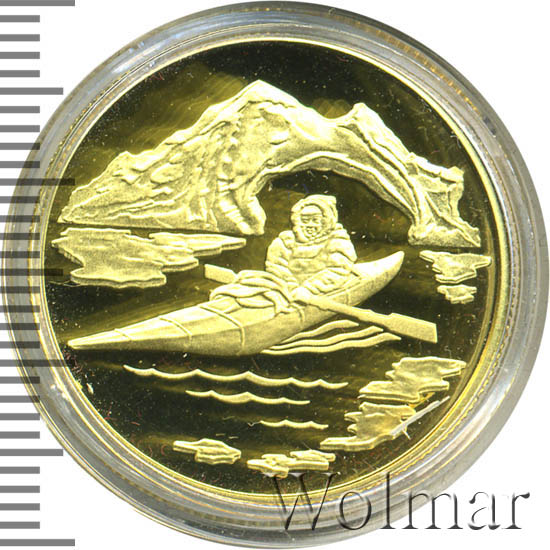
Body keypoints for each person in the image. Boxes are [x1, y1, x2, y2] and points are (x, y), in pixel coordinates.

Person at [211, 194, 357, 311]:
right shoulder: (285, 241)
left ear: (325, 221)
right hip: (284, 290)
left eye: (315, 220)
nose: (310, 225)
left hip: (317, 292)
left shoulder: (338, 240)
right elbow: (276, 267)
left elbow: (338, 270)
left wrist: (308, 289)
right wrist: (290, 287)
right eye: (305, 220)